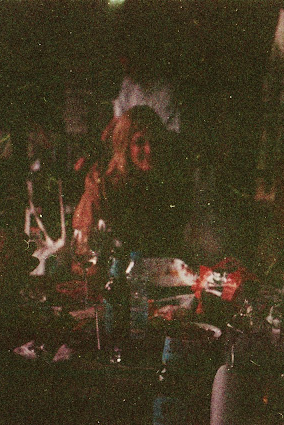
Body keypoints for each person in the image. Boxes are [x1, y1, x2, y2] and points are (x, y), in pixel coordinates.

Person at [71, 105, 192, 360]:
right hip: (115, 302)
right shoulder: (101, 188)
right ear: (124, 145)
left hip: (159, 300)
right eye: (139, 142)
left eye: (154, 141)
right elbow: (81, 257)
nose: (150, 149)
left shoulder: (167, 184)